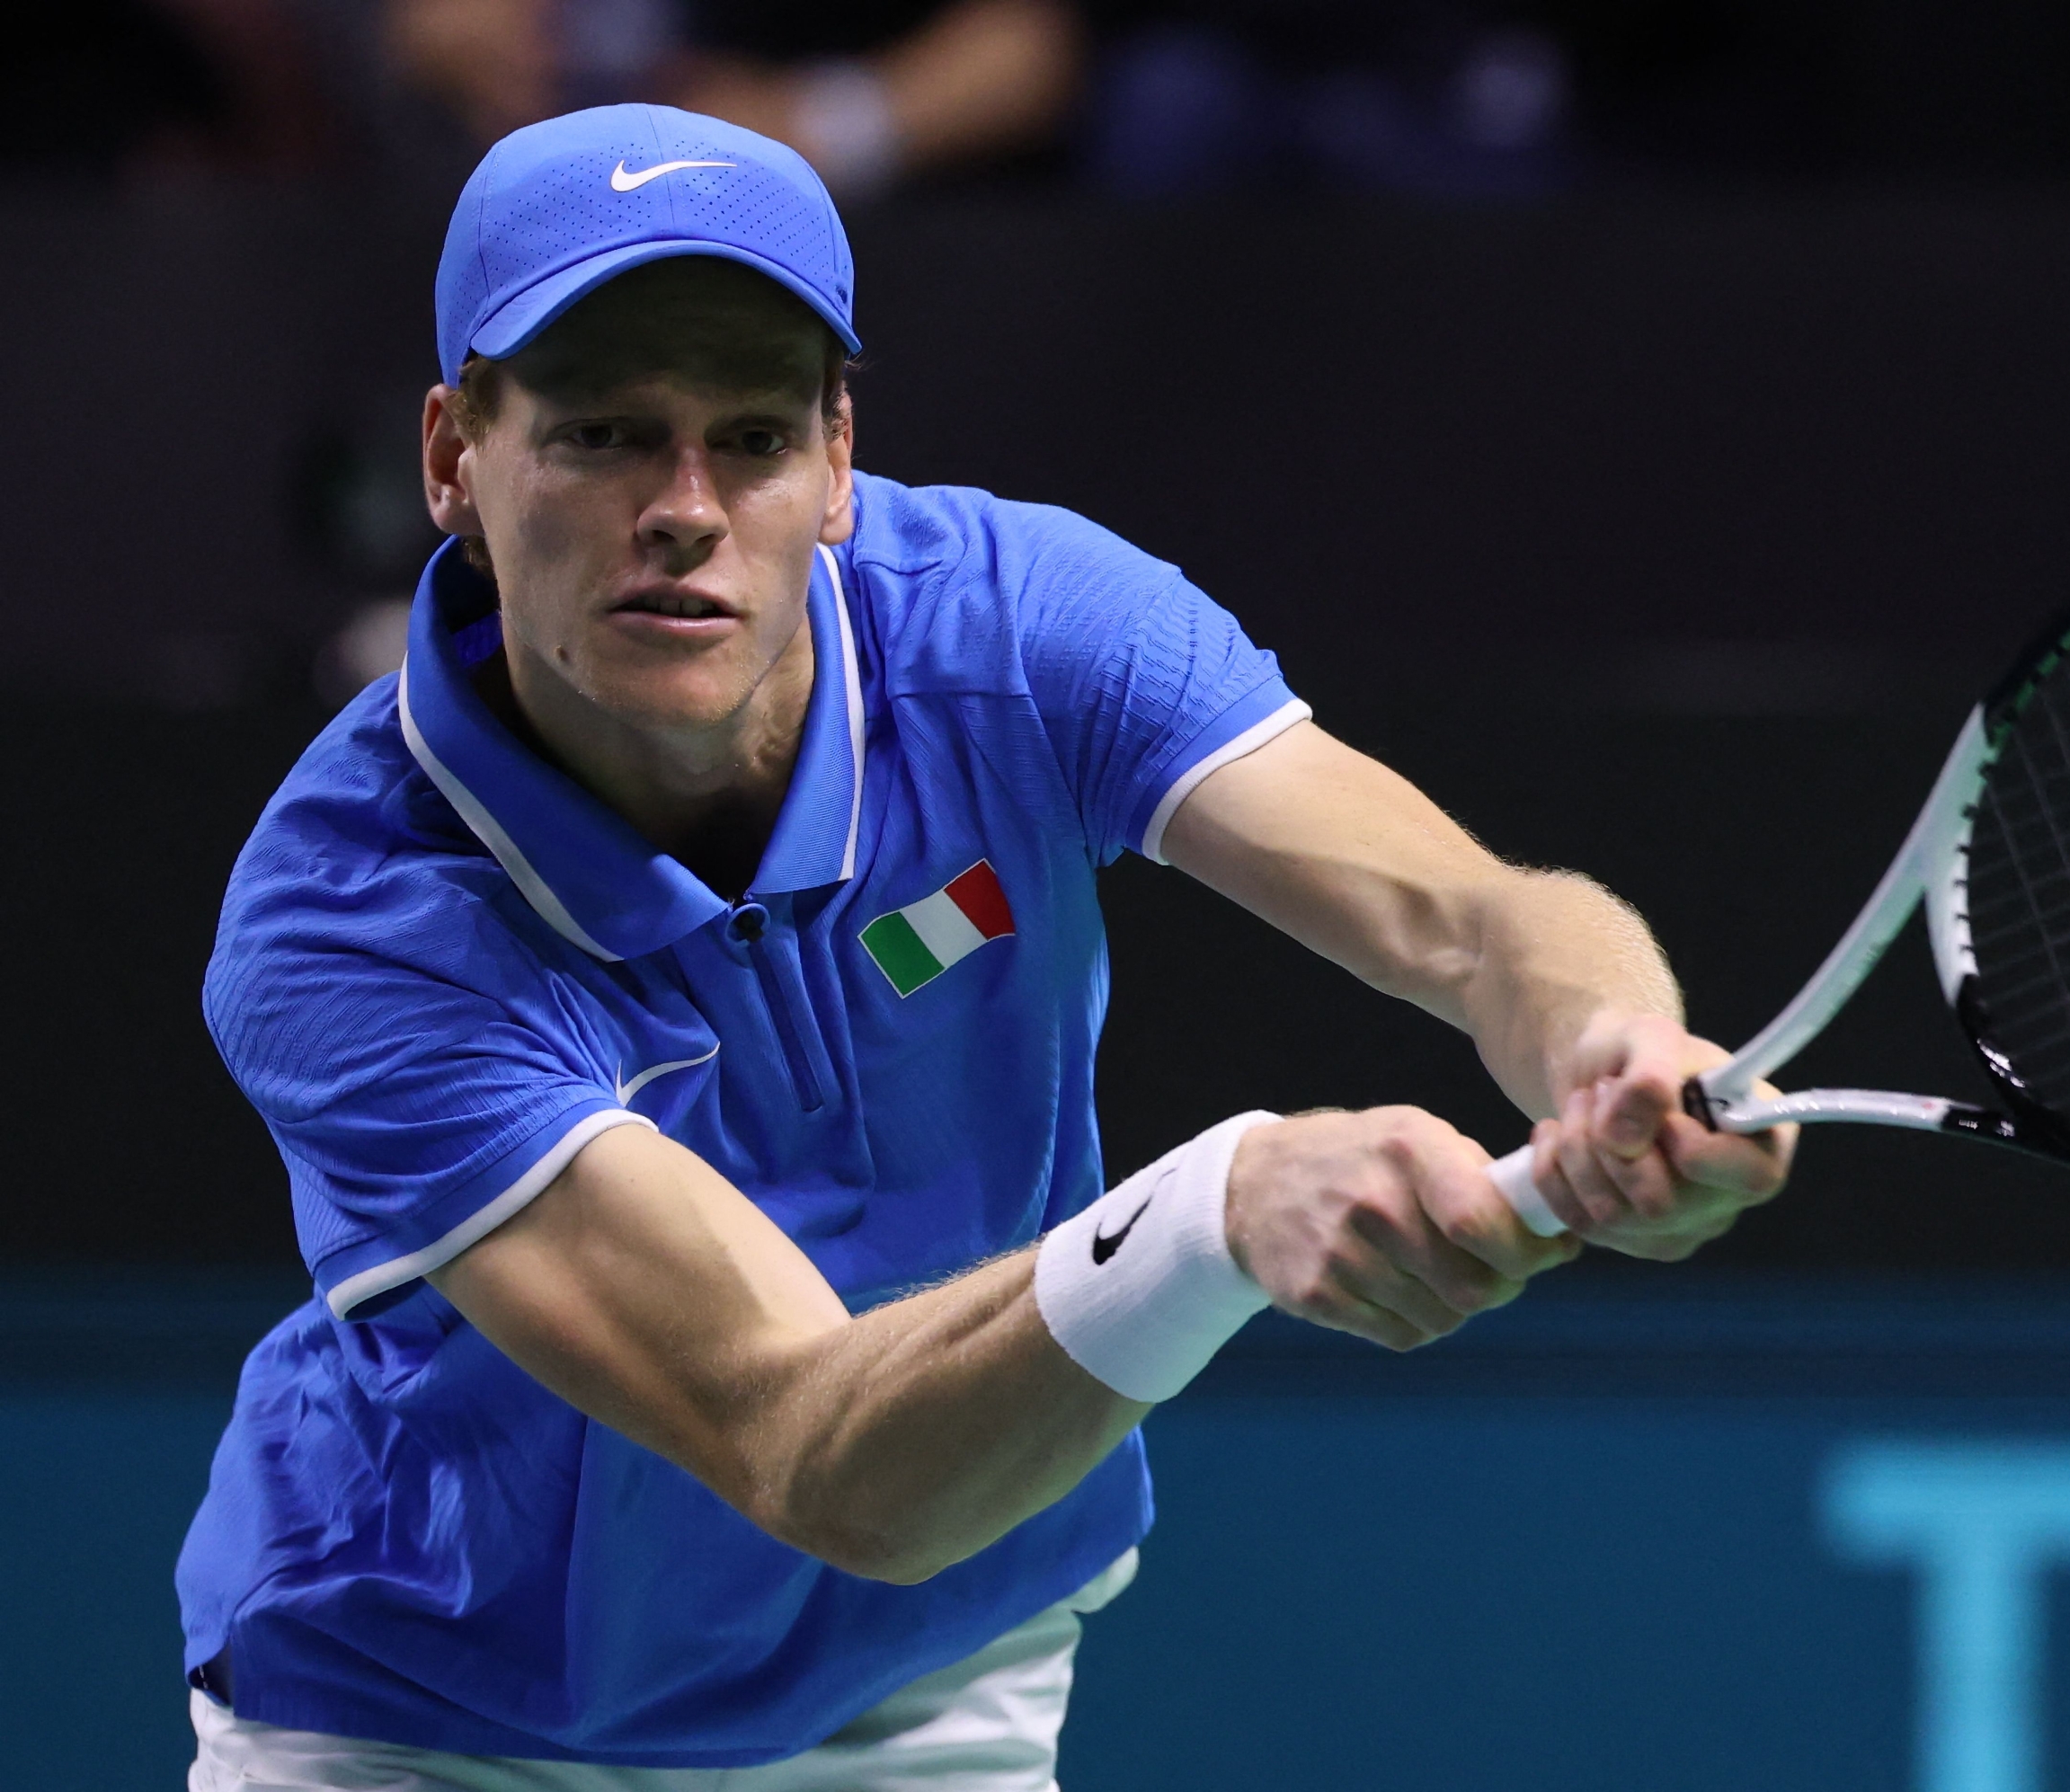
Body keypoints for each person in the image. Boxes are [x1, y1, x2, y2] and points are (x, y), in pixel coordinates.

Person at [178, 102, 1790, 1789]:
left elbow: (1471, 918)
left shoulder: (1014, 629)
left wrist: (1608, 1041)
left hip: (933, 1688)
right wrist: (1220, 1209)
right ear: (454, 457)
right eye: (599, 435)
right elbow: (809, 1446)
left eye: (752, 436)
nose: (686, 507)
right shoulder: (355, 919)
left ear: (839, 461)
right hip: (431, 1724)